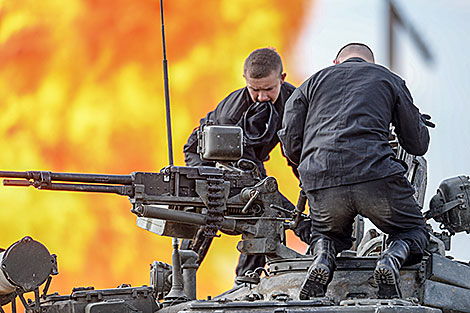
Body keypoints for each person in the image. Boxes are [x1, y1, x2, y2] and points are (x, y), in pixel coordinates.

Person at [278, 43, 431, 299]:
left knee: (326, 233)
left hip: (322, 180)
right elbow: (417, 144)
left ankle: (323, 260)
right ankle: (390, 261)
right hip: (376, 177)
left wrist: (312, 167)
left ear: (336, 62)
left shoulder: (310, 83)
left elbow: (291, 142)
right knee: (412, 232)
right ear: (370, 63)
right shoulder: (387, 78)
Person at [183, 47, 299, 280]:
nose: (262, 97)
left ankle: (248, 279)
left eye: (269, 89)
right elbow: (243, 172)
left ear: (282, 79)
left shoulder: (294, 101)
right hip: (212, 159)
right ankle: (180, 279)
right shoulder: (231, 115)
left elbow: (297, 152)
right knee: (208, 213)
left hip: (251, 162)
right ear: (245, 80)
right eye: (255, 90)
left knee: (266, 215)